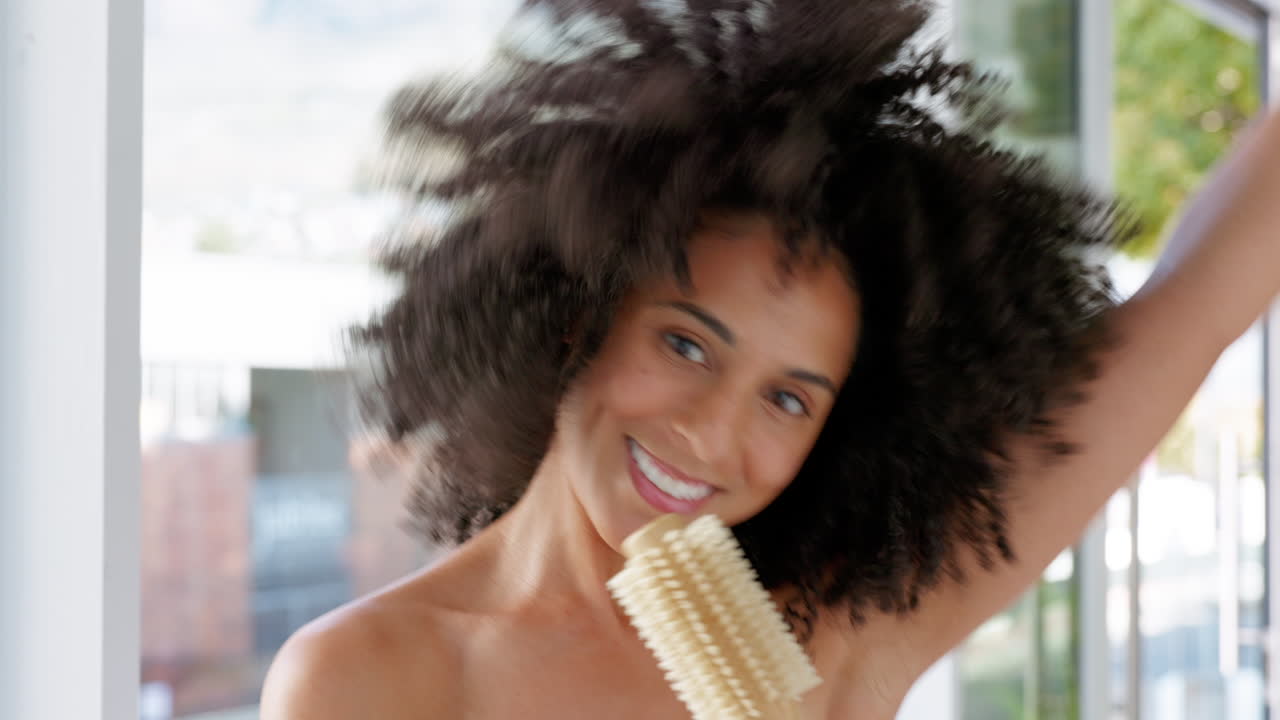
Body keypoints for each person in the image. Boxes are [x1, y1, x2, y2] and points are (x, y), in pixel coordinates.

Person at [260, 1, 1280, 718]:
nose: (712, 435)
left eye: (789, 400)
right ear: (577, 315)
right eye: (686, 343)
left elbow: (1199, 297)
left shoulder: (835, 637)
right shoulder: (366, 680)